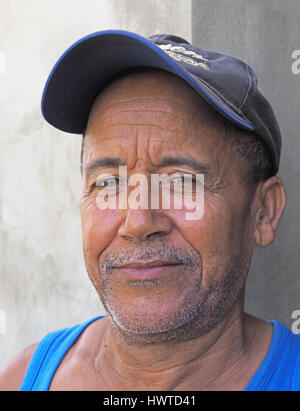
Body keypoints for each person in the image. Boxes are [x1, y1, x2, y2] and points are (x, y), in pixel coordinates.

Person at [0, 30, 299, 391]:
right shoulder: (21, 379)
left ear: (263, 213)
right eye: (109, 183)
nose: (138, 221)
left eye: (181, 181)